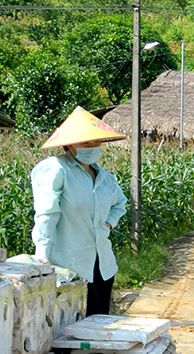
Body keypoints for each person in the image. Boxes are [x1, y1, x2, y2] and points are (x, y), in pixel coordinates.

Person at [30, 106, 128, 316]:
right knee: (75, 324)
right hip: (70, 265)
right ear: (70, 145)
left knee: (100, 322)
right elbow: (47, 213)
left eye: (96, 142)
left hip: (103, 264)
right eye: (85, 143)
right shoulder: (56, 169)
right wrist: (42, 257)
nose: (92, 147)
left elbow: (120, 203)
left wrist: (108, 223)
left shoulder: (105, 178)